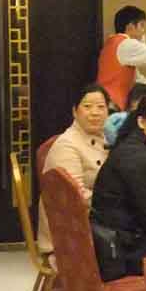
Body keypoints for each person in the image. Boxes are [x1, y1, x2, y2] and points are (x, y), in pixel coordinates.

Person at [90, 93, 146, 280]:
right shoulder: (137, 157)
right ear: (142, 122)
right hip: (118, 249)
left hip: (119, 236)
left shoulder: (134, 146)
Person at [37, 84, 110, 252]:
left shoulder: (105, 140)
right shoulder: (67, 145)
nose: (95, 112)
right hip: (69, 231)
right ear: (75, 111)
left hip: (95, 219)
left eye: (101, 107)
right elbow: (75, 196)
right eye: (87, 106)